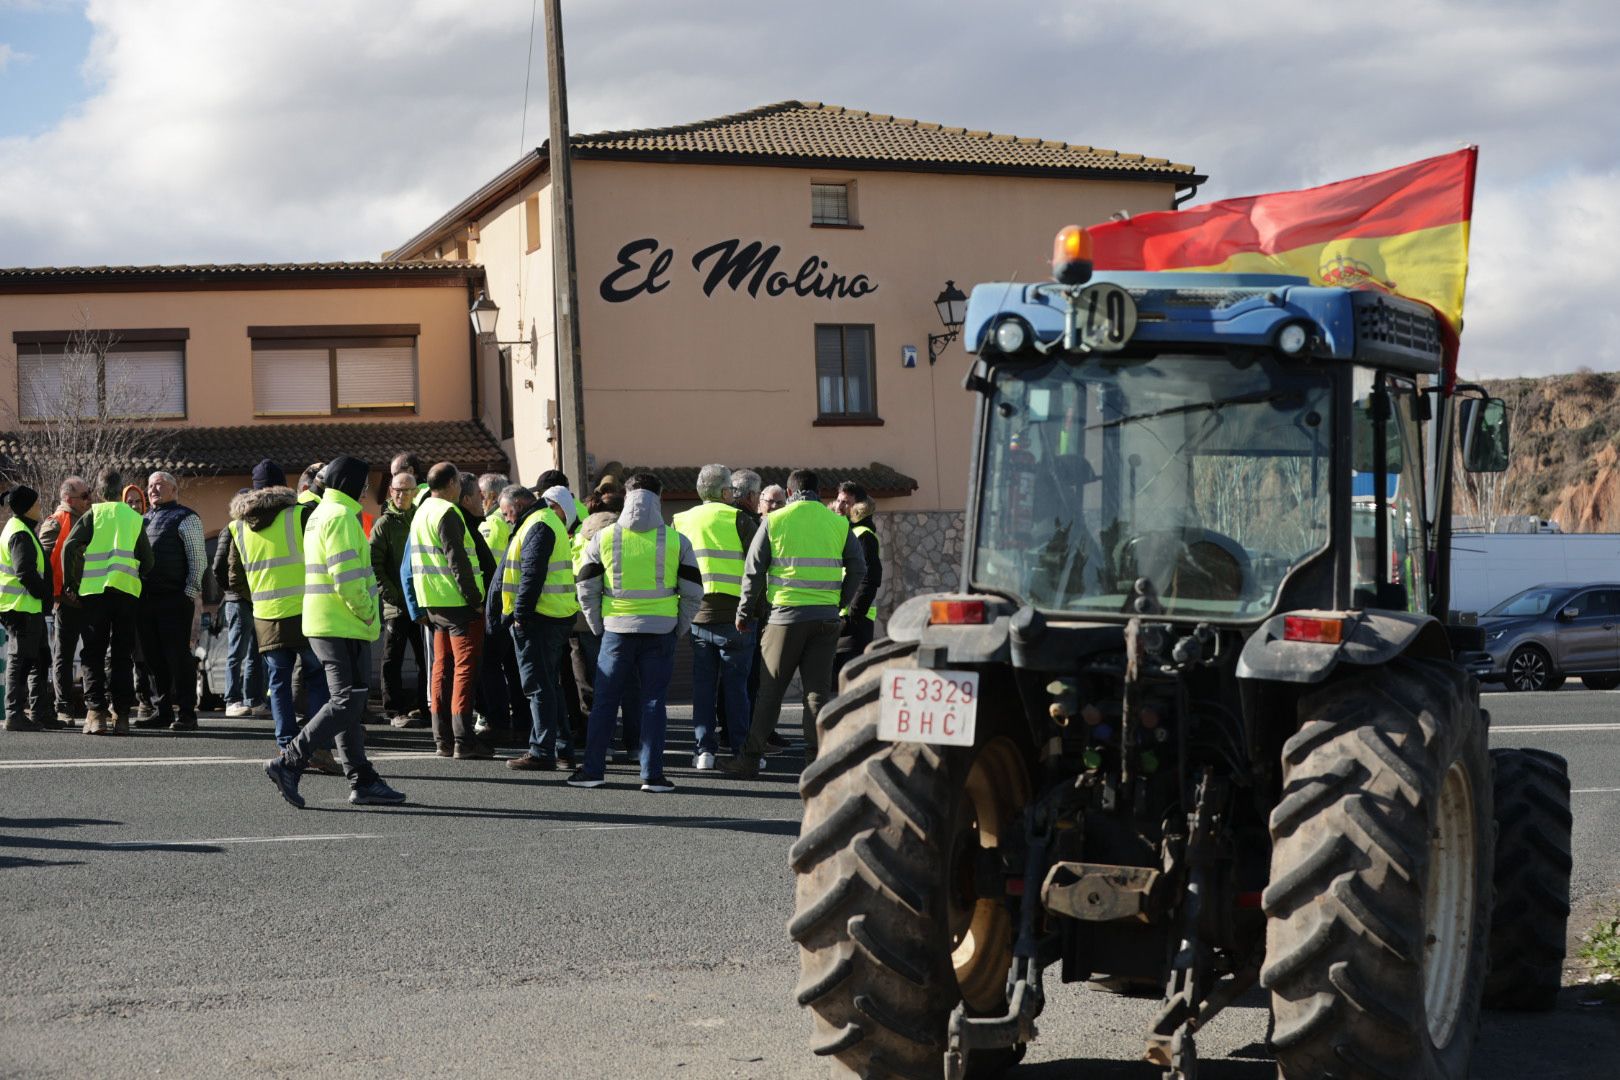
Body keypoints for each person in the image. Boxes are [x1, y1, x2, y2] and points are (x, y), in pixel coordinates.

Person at [264, 455, 405, 808]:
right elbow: (348, 578)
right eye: (362, 484)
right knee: (346, 702)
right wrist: (369, 614)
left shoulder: (322, 514)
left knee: (351, 703)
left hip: (326, 621)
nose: (365, 491)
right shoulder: (342, 517)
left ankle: (362, 779)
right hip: (342, 621)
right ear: (351, 484)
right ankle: (290, 761)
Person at [722, 469, 864, 778]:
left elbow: (754, 570)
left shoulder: (774, 521)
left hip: (785, 618)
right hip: (825, 619)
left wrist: (744, 612)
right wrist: (839, 602)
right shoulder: (839, 523)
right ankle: (815, 763)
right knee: (817, 694)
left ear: (789, 491)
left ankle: (750, 758)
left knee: (770, 692)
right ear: (818, 491)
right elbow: (858, 568)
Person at [571, 473, 702, 792]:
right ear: (659, 498)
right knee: (654, 702)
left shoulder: (604, 537)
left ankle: (593, 771)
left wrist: (598, 625)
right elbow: (694, 592)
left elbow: (586, 587)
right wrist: (677, 627)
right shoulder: (676, 539)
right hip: (661, 632)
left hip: (616, 631)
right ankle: (652, 776)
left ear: (626, 497)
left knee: (604, 701)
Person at [225, 461, 341, 775]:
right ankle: (316, 747)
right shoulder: (301, 515)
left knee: (277, 684)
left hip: (265, 617)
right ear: (283, 486)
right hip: (306, 612)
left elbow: (232, 577)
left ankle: (287, 746)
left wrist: (260, 596)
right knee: (317, 679)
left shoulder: (238, 526)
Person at [673, 464, 757, 769]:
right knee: (736, 688)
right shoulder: (740, 518)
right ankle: (739, 751)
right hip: (736, 616)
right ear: (725, 491)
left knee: (703, 687)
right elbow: (757, 567)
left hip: (697, 617)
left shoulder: (680, 520)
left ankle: (704, 752)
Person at [408, 462, 491, 759]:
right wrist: (475, 599)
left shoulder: (421, 513)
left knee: (441, 669)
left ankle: (443, 739)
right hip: (457, 602)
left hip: (432, 601)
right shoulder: (447, 512)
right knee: (464, 670)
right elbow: (459, 562)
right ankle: (463, 740)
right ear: (454, 483)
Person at [62, 469, 153, 736]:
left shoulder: (94, 514)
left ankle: (96, 713)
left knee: (93, 653)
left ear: (99, 492)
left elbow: (69, 546)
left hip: (94, 593)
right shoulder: (134, 517)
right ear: (121, 489)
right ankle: (122, 715)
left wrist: (71, 584)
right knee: (121, 654)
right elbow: (148, 560)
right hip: (125, 593)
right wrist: (138, 575)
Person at [500, 482, 580, 770]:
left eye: (506, 512)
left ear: (518, 505)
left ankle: (542, 751)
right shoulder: (545, 520)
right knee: (549, 684)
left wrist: (520, 614)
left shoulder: (537, 523)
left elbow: (532, 573)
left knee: (538, 686)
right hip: (552, 614)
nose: (506, 518)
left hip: (538, 617)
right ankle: (560, 749)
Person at [134, 472, 205, 732]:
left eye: (159, 485)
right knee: (153, 658)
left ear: (174, 490)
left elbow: (198, 558)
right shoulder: (142, 520)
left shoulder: (186, 518)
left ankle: (187, 713)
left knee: (178, 657)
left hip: (175, 598)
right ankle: (162, 710)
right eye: (150, 485)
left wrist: (189, 592)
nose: (153, 489)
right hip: (146, 599)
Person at [371, 470, 426, 727]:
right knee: (392, 658)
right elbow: (375, 566)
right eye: (397, 489)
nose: (401, 494)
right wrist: (394, 596)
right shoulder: (383, 524)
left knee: (425, 657)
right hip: (396, 604)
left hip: (423, 601)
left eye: (406, 490)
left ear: (415, 492)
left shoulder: (420, 518)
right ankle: (394, 710)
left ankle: (423, 707)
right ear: (391, 491)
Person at [0, 486, 56, 731]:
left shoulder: (20, 528)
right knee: (22, 660)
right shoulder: (20, 533)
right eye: (36, 503)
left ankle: (40, 711)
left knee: (40, 659)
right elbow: (25, 572)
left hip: (28, 607)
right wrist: (45, 593)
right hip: (20, 607)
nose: (40, 507)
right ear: (27, 507)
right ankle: (15, 713)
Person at [212, 475, 265, 719]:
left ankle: (253, 699)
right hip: (238, 600)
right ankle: (232, 699)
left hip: (253, 598)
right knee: (238, 651)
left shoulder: (254, 528)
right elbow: (218, 566)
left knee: (255, 651)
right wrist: (230, 591)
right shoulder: (230, 529)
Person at [41, 476, 90, 726]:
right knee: (65, 655)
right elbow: (44, 564)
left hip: (89, 596)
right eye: (85, 495)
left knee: (90, 653)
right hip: (67, 601)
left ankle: (91, 707)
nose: (89, 499)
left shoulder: (88, 519)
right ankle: (64, 707)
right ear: (69, 499)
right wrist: (58, 593)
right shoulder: (56, 522)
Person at [832, 481, 883, 675]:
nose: (839, 506)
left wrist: (854, 613)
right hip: (838, 617)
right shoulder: (841, 531)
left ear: (859, 507)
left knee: (849, 682)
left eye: (846, 502)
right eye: (838, 500)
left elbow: (870, 578)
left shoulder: (863, 535)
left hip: (854, 621)